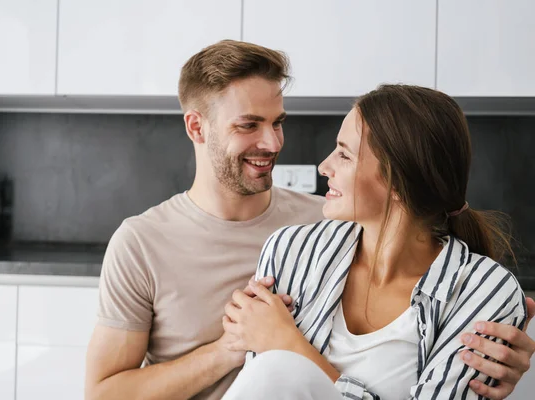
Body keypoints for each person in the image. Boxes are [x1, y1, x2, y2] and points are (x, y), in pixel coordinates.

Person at [84, 41, 535, 400]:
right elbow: (103, 394)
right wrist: (230, 348)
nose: (273, 141)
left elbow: (293, 372)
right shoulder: (144, 242)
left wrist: (493, 370)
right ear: (197, 128)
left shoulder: (318, 224)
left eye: (278, 121)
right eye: (249, 125)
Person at [222, 84, 535, 400]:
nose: (324, 166)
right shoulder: (291, 251)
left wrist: (288, 344)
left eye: (344, 154)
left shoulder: (484, 291)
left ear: (398, 182)